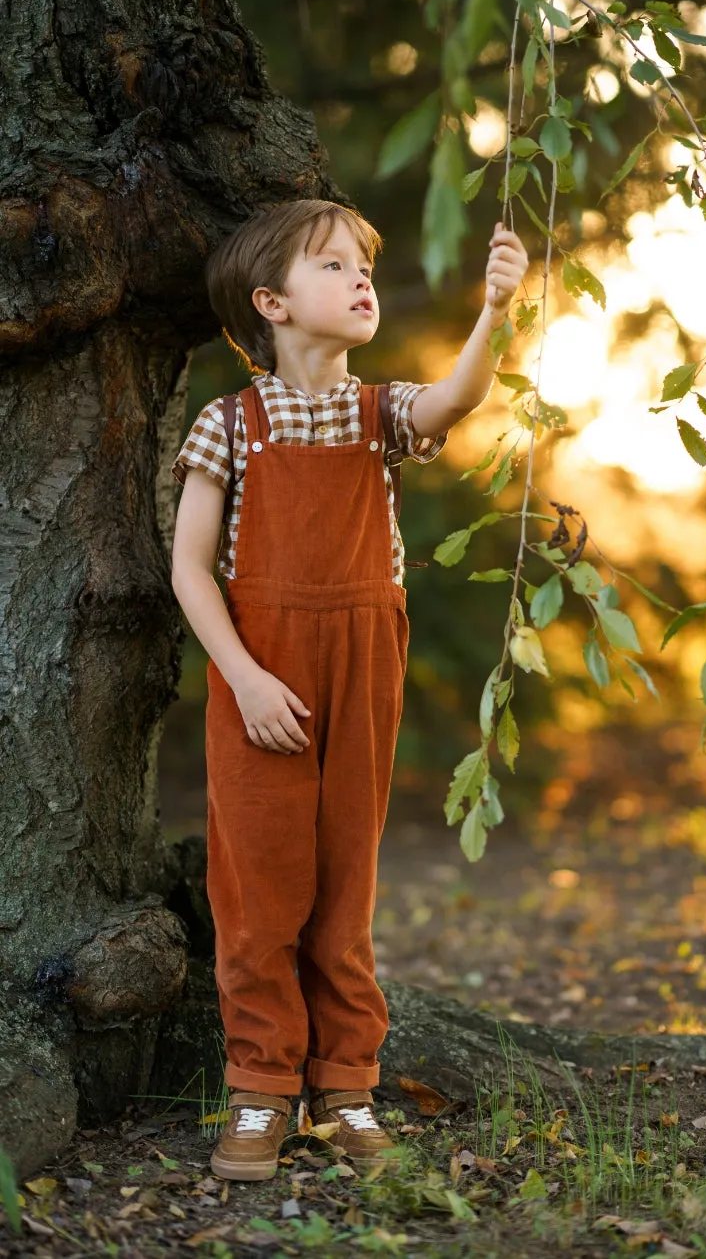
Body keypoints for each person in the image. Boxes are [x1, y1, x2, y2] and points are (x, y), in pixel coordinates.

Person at [170, 198, 528, 1180]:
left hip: (362, 662)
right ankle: (258, 1090)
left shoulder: (379, 414)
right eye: (332, 266)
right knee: (257, 886)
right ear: (273, 302)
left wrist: (494, 309)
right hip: (263, 674)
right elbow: (190, 571)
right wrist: (243, 679)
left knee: (345, 882)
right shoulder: (229, 424)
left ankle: (346, 1087)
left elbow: (454, 398)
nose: (360, 278)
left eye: (364, 265)